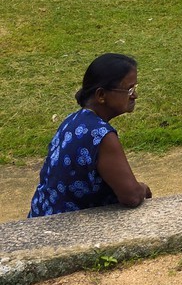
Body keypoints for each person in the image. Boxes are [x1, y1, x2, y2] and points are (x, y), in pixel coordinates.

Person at [30, 54, 151, 217]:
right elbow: (132, 196)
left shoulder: (72, 120)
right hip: (67, 231)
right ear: (101, 95)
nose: (134, 95)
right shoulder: (101, 135)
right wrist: (143, 188)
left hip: (42, 218)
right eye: (129, 89)